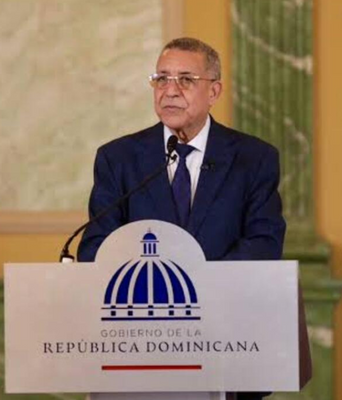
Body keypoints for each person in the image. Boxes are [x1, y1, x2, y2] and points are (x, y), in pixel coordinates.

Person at [78, 37, 286, 265]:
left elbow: (264, 244)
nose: (170, 91)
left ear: (213, 92)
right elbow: (96, 248)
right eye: (162, 79)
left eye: (186, 80)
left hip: (224, 288)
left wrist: (201, 281)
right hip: (145, 287)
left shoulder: (255, 159)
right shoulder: (118, 159)